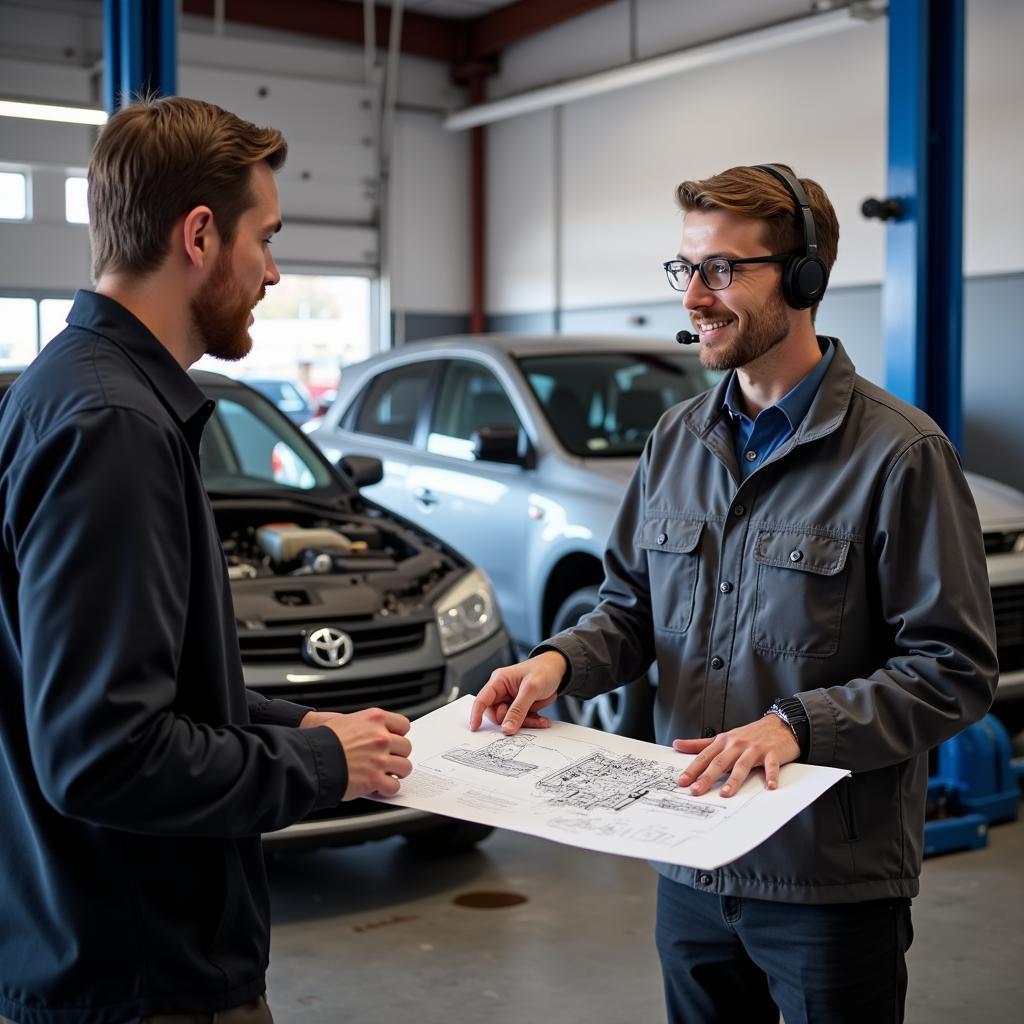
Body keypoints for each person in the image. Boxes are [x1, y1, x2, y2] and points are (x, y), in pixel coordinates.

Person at [470, 163, 998, 1023]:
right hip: (686, 862)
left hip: (825, 882)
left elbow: (953, 668)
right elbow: (632, 609)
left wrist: (797, 726)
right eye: (687, 270)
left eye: (722, 269)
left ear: (803, 276)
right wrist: (558, 664)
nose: (695, 297)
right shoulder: (676, 440)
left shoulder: (900, 456)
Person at [0, 96, 412, 1023]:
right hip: (142, 980)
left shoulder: (67, 388)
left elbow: (139, 688)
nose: (272, 271)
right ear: (198, 235)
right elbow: (104, 754)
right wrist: (316, 766)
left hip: (99, 957)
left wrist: (300, 716)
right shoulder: (113, 427)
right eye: (263, 238)